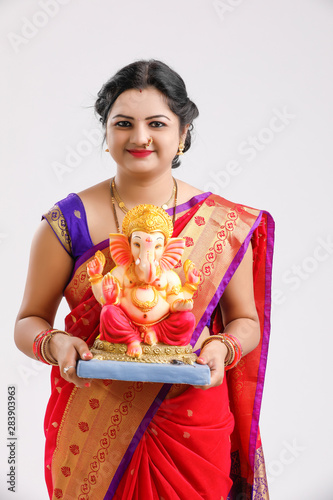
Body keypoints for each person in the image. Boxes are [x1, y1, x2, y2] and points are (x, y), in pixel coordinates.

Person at [14, 60, 274, 500]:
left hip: (192, 416)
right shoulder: (66, 222)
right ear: (106, 131)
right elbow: (28, 321)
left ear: (183, 132)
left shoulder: (224, 224)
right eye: (123, 123)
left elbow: (245, 321)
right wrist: (56, 344)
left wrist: (221, 346)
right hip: (94, 413)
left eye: (157, 123)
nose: (139, 137)